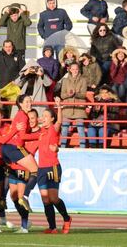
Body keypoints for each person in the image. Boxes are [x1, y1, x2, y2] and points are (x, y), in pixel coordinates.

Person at [1, 94, 40, 213]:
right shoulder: (23, 116)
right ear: (21, 104)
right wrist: (39, 135)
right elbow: (22, 136)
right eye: (26, 102)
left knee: (12, 174)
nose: (29, 104)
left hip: (7, 148)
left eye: (30, 101)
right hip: (14, 147)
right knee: (36, 170)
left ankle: (3, 199)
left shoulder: (20, 114)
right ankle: (24, 196)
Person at [38, 98, 72, 234]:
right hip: (41, 168)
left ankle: (67, 218)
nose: (44, 118)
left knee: (53, 198)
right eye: (43, 116)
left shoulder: (53, 128)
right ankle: (52, 227)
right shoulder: (40, 131)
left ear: (52, 119)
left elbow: (59, 122)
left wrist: (59, 107)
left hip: (52, 167)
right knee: (45, 199)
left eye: (46, 116)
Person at [6, 108, 40, 234]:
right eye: (28, 118)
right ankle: (25, 221)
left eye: (32, 118)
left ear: (37, 119)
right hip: (14, 166)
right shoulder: (22, 130)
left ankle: (24, 226)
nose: (30, 120)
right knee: (13, 196)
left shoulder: (38, 133)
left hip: (24, 168)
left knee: (21, 197)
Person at [60, 62, 87, 148]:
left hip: (79, 108)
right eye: (73, 69)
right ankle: (63, 148)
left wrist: (76, 93)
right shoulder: (65, 80)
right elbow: (62, 95)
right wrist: (68, 94)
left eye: (76, 69)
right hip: (68, 107)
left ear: (78, 70)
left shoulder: (83, 80)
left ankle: (83, 148)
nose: (75, 71)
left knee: (80, 129)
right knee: (64, 129)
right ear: (70, 70)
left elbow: (84, 95)